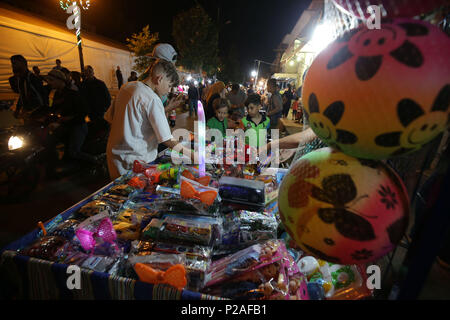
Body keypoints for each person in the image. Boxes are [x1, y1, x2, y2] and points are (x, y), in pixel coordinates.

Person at [104, 59, 194, 180]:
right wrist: (192, 154)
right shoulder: (152, 98)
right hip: (136, 162)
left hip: (115, 157)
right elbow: (166, 139)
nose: (169, 90)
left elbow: (110, 118)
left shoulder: (127, 87)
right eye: (169, 86)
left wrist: (167, 108)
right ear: (160, 79)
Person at [43, 69, 97, 167]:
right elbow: (54, 109)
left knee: (74, 152)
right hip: (65, 126)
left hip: (78, 126)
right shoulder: (56, 94)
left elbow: (84, 111)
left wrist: (69, 118)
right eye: (49, 81)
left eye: (52, 80)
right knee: (48, 142)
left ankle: (96, 162)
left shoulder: (73, 93)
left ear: (60, 80)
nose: (49, 83)